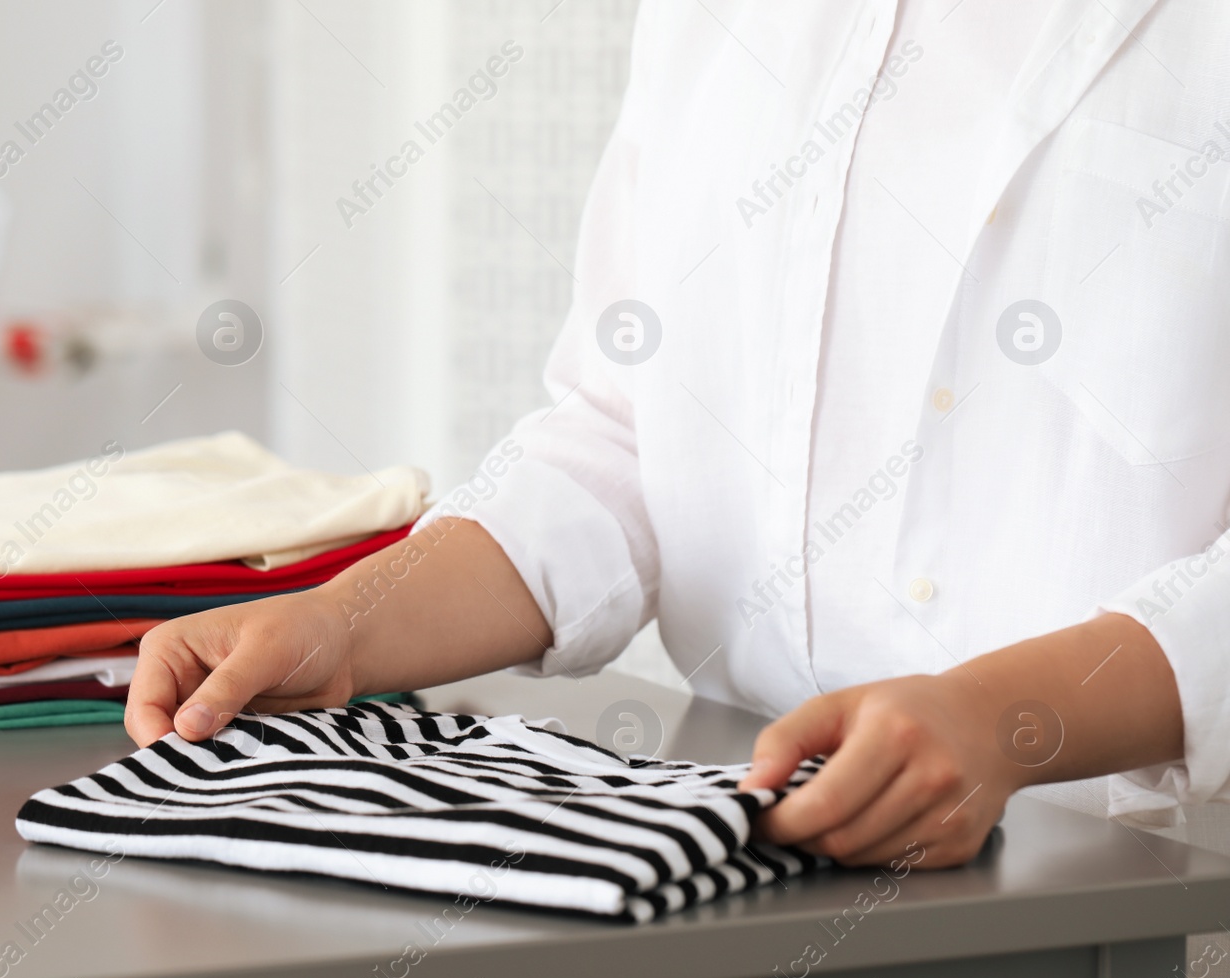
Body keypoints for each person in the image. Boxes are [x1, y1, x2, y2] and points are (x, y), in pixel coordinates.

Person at [126, 0, 1230, 868]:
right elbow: (625, 439)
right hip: (742, 858)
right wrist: (345, 622)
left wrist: (1000, 718)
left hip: (1138, 907)